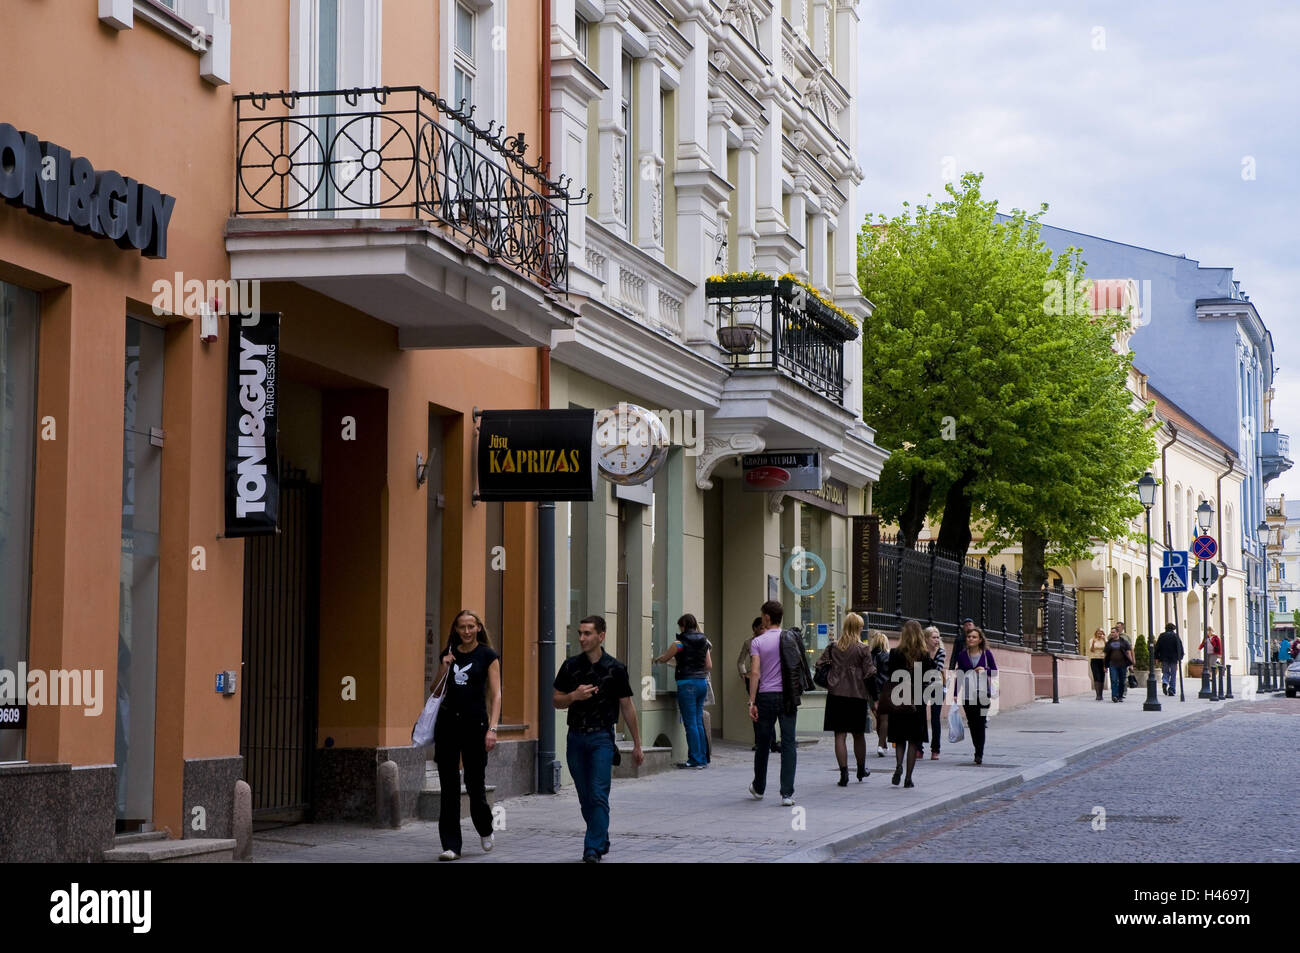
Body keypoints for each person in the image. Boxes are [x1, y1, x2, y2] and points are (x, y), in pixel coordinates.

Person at [553, 615, 644, 863]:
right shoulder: (571, 666)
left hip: (602, 738)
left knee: (597, 794)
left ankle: (591, 848)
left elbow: (627, 707)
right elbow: (555, 700)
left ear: (601, 636)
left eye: (587, 633)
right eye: (580, 633)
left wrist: (637, 744)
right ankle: (600, 836)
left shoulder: (615, 668)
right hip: (575, 738)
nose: (582, 638)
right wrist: (574, 696)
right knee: (584, 796)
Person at [432, 610, 502, 861]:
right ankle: (451, 845)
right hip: (448, 726)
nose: (467, 631)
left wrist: (492, 729)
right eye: (462, 627)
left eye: (471, 626)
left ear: (479, 628)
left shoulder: (488, 655)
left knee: (475, 785)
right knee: (448, 787)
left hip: (476, 726)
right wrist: (444, 667)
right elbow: (436, 691)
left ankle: (485, 828)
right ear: (456, 629)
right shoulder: (448, 654)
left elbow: (496, 695)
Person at [747, 600, 813, 806]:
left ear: (767, 617)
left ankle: (759, 787)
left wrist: (751, 701)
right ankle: (787, 794)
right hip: (787, 697)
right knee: (788, 742)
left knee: (763, 743)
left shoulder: (757, 642)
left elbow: (755, 672)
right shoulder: (790, 638)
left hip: (766, 696)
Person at [815, 612, 876, 785]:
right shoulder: (863, 649)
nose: (863, 629)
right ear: (857, 628)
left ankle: (843, 774)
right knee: (858, 735)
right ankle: (861, 769)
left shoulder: (833, 647)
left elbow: (819, 665)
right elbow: (870, 673)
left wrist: (832, 676)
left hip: (836, 695)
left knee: (839, 735)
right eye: (861, 626)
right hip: (857, 696)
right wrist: (875, 698)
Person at [653, 613, 712, 768]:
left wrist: (659, 659)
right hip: (701, 684)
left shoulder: (680, 643)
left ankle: (695, 760)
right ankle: (703, 759)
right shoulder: (704, 641)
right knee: (698, 721)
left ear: (683, 626)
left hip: (687, 684)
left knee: (690, 723)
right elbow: (709, 665)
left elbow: (666, 657)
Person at [885, 620, 937, 787]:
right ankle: (908, 778)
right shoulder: (924, 655)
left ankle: (899, 765)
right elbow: (931, 677)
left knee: (899, 739)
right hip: (917, 702)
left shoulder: (895, 653)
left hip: (899, 699)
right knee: (913, 741)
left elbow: (890, 676)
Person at [951, 626, 998, 764]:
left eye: (974, 637)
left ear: (980, 640)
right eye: (969, 636)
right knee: (972, 723)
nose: (970, 639)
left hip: (983, 694)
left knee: (981, 722)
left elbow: (994, 671)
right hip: (968, 694)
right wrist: (955, 693)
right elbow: (959, 675)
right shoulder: (962, 655)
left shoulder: (986, 654)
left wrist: (985, 669)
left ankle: (979, 753)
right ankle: (977, 748)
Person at [739, 617, 781, 753]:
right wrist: (744, 674)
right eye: (761, 628)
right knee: (756, 710)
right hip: (753, 679)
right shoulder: (749, 642)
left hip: (767, 679)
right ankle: (759, 742)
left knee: (769, 711)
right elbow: (740, 661)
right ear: (755, 629)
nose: (764, 630)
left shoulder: (769, 640)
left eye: (765, 627)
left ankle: (772, 742)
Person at [922, 626, 946, 760]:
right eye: (933, 637)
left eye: (938, 637)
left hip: (937, 686)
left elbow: (937, 669)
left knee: (935, 718)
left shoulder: (941, 652)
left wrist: (925, 657)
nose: (936, 640)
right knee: (920, 716)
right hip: (922, 686)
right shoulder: (921, 651)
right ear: (926, 638)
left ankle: (935, 749)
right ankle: (919, 747)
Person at [866, 631, 891, 756]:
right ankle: (881, 745)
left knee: (877, 718)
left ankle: (883, 744)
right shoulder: (888, 656)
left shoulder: (868, 656)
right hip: (884, 691)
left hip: (871, 692)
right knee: (884, 719)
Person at [1104, 625, 1134, 703]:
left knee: (1122, 680)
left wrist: (1131, 664)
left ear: (1118, 633)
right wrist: (1105, 665)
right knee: (1113, 680)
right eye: (1111, 632)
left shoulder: (1124, 642)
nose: (1112, 634)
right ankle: (1114, 696)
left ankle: (1120, 696)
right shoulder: (1109, 643)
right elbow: (1106, 654)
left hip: (1123, 664)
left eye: (1113, 632)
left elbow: (1128, 652)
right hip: (1112, 664)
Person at [1154, 623, 1184, 697]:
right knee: (1173, 674)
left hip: (1164, 658)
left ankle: (1165, 682)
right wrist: (1180, 657)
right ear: (1173, 629)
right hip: (1174, 658)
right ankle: (1171, 689)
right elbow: (1180, 647)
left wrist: (1156, 657)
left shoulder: (1162, 636)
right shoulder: (1175, 636)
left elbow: (1157, 647)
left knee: (1165, 672)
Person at [1087, 628, 1108, 701]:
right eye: (1098, 633)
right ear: (1096, 633)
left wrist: (1105, 640)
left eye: (1101, 632)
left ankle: (1101, 694)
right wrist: (1093, 643)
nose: (1099, 634)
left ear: (1103, 633)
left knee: (1102, 677)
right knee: (1096, 676)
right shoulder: (1092, 640)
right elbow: (1091, 650)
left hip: (1103, 660)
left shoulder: (1105, 640)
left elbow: (1107, 649)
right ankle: (1097, 694)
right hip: (1094, 659)